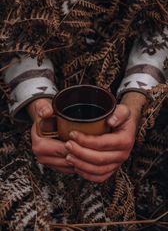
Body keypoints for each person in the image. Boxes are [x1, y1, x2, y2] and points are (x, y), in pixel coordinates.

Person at [4, 29, 168, 183]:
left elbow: (160, 18)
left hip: (150, 152)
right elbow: (13, 28)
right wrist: (38, 103)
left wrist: (133, 107)